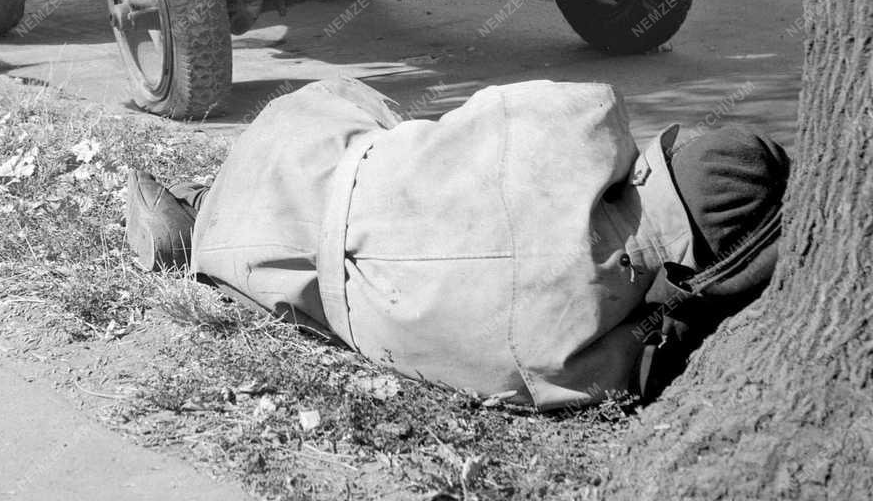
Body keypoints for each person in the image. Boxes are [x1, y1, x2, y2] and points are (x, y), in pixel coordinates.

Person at [125, 77, 789, 411]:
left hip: (349, 188)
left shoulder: (584, 125)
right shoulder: (595, 356)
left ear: (651, 168)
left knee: (341, 129)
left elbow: (507, 118)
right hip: (361, 303)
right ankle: (200, 220)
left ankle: (197, 211)